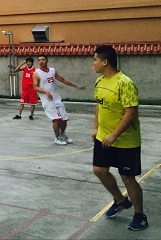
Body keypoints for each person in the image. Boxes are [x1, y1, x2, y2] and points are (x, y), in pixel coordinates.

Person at [92, 45, 148, 231]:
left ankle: (140, 216)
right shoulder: (99, 82)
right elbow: (98, 105)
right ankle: (120, 200)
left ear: (105, 62)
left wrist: (114, 134)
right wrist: (96, 128)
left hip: (125, 141)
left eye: (95, 60)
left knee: (127, 178)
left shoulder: (125, 83)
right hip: (103, 137)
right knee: (99, 170)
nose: (93, 64)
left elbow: (131, 113)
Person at [33, 54, 85, 145]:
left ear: (47, 60)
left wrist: (76, 86)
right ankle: (57, 138)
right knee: (56, 119)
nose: (41, 61)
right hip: (47, 100)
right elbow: (35, 87)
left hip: (56, 98)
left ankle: (63, 135)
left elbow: (63, 79)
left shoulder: (52, 71)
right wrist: (45, 91)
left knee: (64, 118)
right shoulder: (36, 73)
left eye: (43, 60)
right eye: (39, 60)